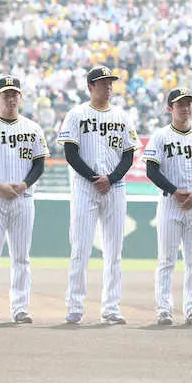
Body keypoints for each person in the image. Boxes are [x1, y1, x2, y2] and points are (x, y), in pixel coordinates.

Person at [60, 65, 140, 325]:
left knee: (114, 252)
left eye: (110, 82)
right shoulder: (76, 114)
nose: (108, 86)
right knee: (80, 248)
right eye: (103, 82)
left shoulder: (122, 116)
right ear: (90, 87)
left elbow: (129, 154)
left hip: (115, 188)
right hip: (85, 187)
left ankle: (111, 308)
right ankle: (75, 306)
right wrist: (95, 178)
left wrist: (111, 178)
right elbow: (70, 153)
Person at [0, 75, 48, 324]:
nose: (11, 98)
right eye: (6, 94)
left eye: (14, 94)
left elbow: (39, 164)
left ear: (20, 97)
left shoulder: (33, 128)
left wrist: (25, 184)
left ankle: (20, 308)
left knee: (21, 256)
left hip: (23, 197)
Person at [144, 88, 192, 326]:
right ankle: (164, 310)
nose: (185, 108)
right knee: (166, 260)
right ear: (170, 109)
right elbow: (151, 170)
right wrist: (174, 190)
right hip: (170, 204)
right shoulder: (160, 136)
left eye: (188, 104)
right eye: (180, 104)